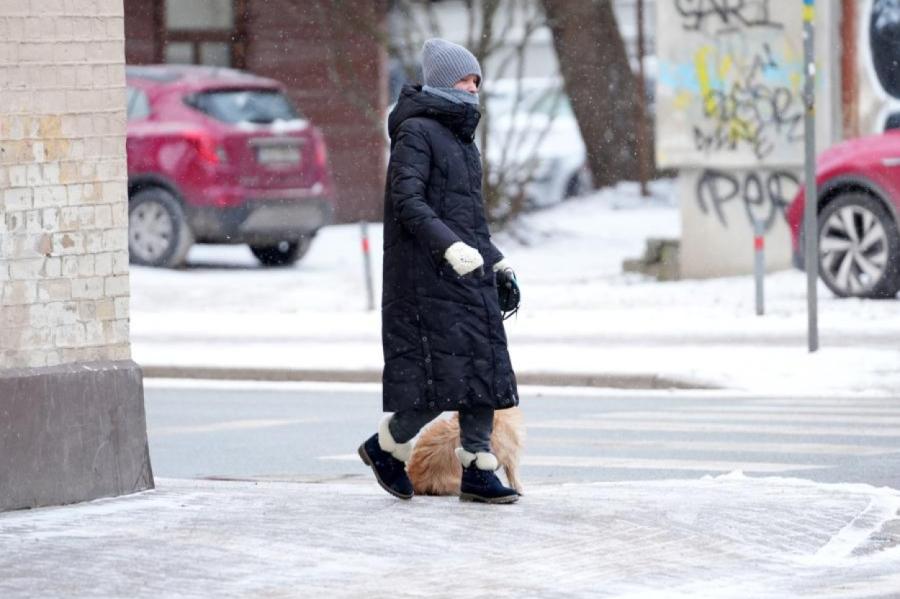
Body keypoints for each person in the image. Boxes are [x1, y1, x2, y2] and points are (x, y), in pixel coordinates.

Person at [358, 38, 520, 504]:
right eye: (466, 79)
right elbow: (408, 202)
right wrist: (448, 248)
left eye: (476, 81)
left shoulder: (463, 141)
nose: (474, 88)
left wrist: (497, 261)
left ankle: (477, 469)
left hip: (469, 275)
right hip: (426, 279)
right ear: (444, 82)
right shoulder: (417, 132)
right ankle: (385, 447)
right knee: (436, 384)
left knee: (482, 374)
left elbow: (472, 219)